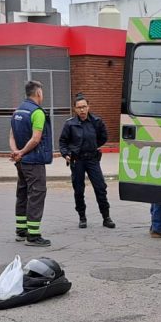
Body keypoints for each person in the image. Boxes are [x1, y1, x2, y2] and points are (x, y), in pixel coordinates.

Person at [59, 93, 115, 229]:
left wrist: (93, 145)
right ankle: (82, 217)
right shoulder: (70, 124)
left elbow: (103, 137)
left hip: (92, 159)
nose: (82, 110)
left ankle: (106, 217)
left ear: (88, 107)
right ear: (75, 109)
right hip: (77, 160)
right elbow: (63, 142)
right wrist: (66, 154)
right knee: (78, 190)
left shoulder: (97, 121)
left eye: (84, 107)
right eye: (79, 108)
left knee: (100, 188)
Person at [9, 79, 53, 247]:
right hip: (33, 161)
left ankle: (21, 231)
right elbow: (36, 139)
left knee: (22, 192)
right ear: (38, 93)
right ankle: (33, 236)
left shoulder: (17, 111)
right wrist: (22, 152)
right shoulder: (37, 112)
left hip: (20, 162)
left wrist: (16, 152)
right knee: (36, 194)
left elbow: (11, 136)